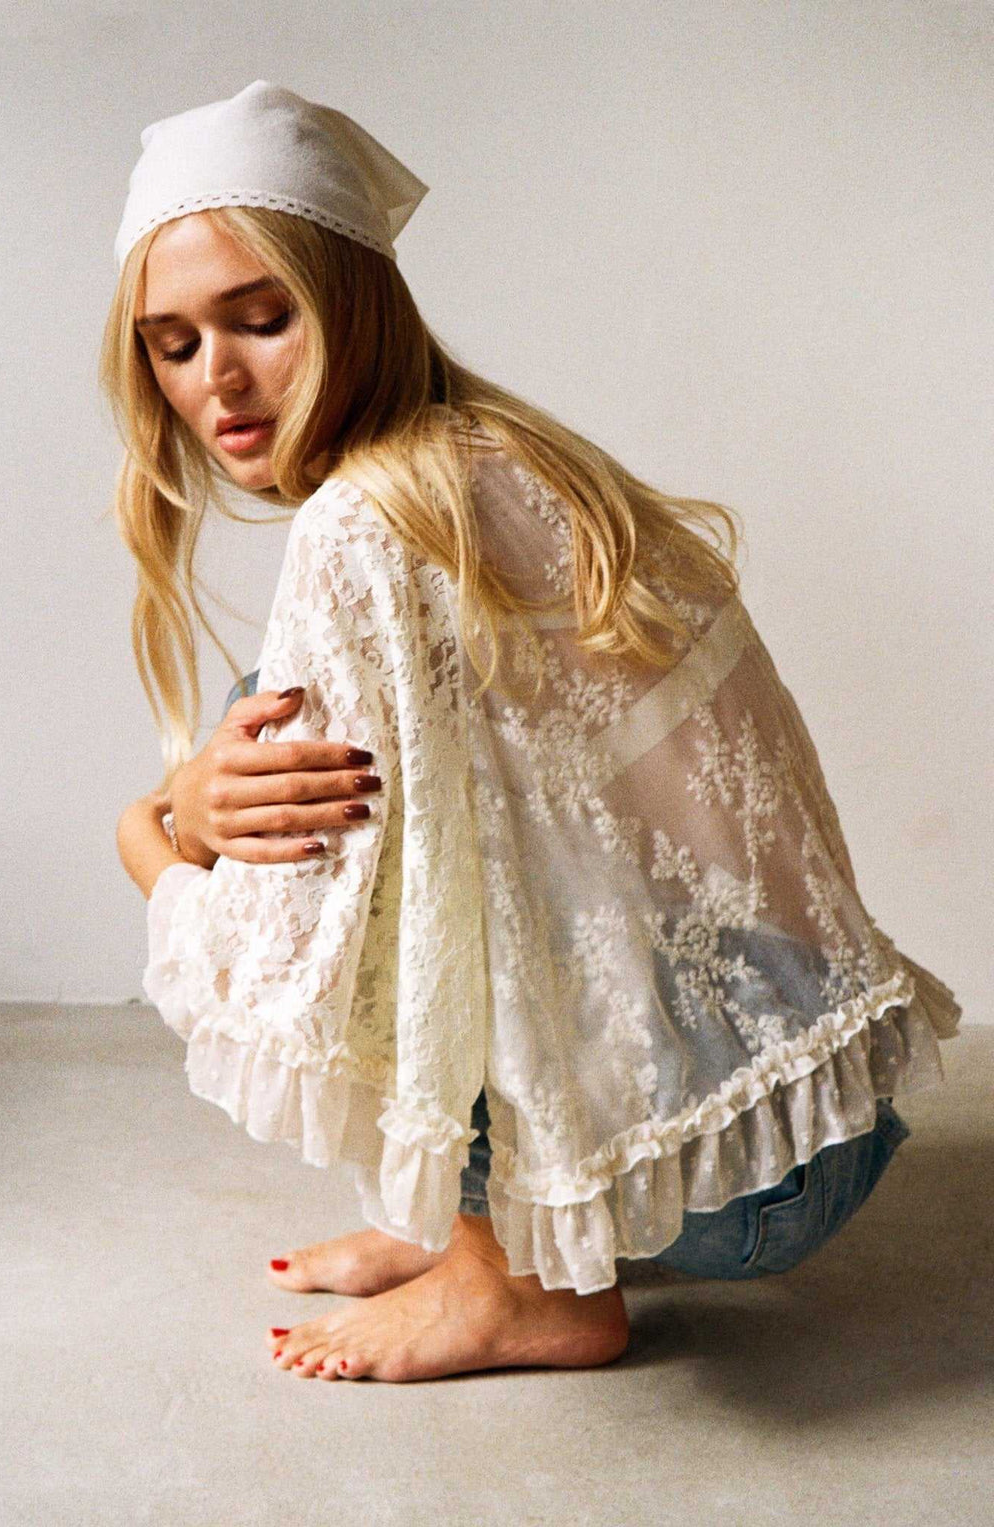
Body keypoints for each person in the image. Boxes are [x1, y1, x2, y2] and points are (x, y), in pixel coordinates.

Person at [112, 81, 962, 1385]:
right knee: (332, 749)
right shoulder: (496, 447)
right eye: (172, 345)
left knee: (262, 752)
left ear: (354, 306)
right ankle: (480, 1221)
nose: (216, 378)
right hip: (799, 1118)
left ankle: (516, 1282)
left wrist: (156, 833)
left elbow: (288, 969)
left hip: (710, 1186)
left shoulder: (362, 522)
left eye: (261, 319)